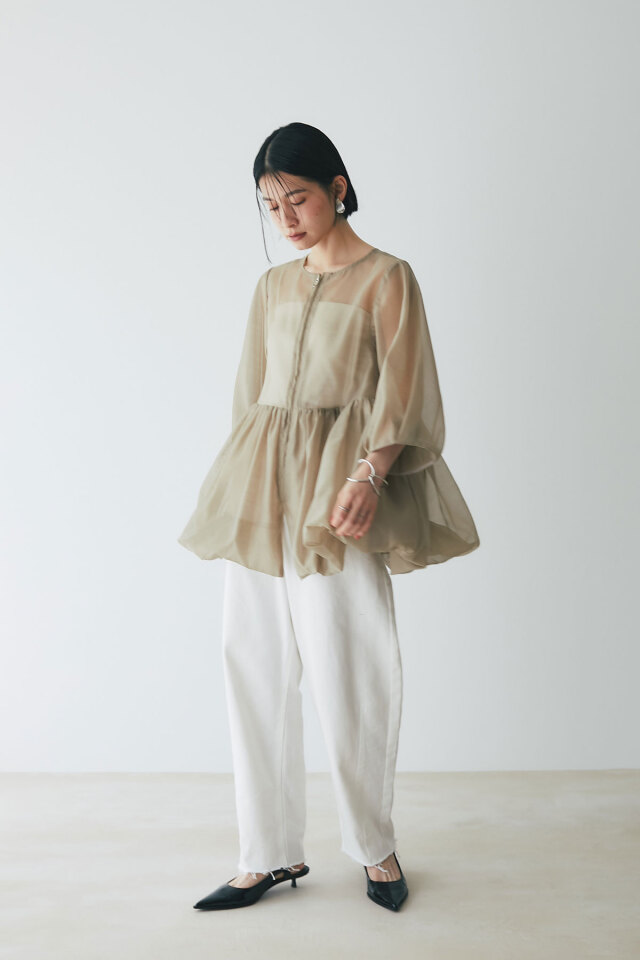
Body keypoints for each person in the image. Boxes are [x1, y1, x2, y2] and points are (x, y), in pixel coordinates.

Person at [178, 122, 480, 912]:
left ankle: (374, 847)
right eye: (270, 205)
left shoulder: (388, 278)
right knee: (251, 661)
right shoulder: (271, 287)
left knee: (352, 666)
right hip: (263, 491)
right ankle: (267, 854)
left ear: (338, 188)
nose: (285, 218)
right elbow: (251, 398)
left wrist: (369, 474)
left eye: (298, 199)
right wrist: (243, 487)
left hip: (340, 494)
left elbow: (405, 393)